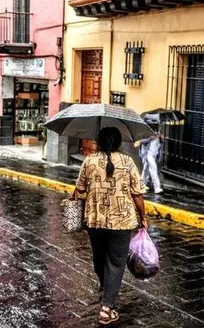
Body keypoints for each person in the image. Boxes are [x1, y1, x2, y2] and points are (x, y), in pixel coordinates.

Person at [71, 127, 147, 325]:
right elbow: (137, 194)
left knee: (99, 258)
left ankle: (106, 290)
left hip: (95, 220)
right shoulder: (128, 161)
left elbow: (79, 189)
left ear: (100, 141)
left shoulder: (89, 160)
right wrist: (143, 217)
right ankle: (106, 308)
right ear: (119, 142)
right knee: (115, 262)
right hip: (121, 222)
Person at [136, 126, 163, 194]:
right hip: (148, 154)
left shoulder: (159, 131)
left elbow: (160, 143)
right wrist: (150, 138)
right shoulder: (146, 131)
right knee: (153, 168)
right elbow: (142, 141)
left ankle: (142, 185)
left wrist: (161, 138)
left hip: (154, 154)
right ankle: (157, 187)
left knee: (146, 170)